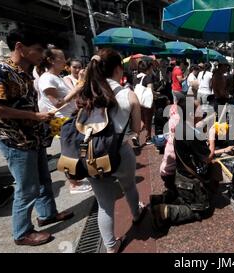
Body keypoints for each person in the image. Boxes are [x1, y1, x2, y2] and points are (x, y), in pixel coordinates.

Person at [0, 27, 73, 246]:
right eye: (37, 49)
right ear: (20, 47)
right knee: (26, 188)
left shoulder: (26, 71)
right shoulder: (1, 70)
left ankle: (47, 214)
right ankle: (22, 233)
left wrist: (39, 118)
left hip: (32, 136)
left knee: (43, 180)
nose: (42, 55)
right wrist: (33, 115)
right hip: (14, 139)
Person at [76, 49, 146, 253]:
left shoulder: (86, 93)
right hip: (120, 152)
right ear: (118, 69)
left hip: (91, 154)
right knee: (130, 187)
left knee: (104, 204)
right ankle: (136, 214)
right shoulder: (128, 94)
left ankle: (110, 246)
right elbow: (136, 129)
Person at [151, 95, 219, 229]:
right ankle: (165, 211)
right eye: (199, 109)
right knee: (202, 210)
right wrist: (211, 137)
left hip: (180, 176)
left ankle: (162, 198)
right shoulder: (190, 133)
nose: (202, 112)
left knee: (185, 198)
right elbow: (208, 156)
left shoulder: (181, 126)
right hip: (189, 181)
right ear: (190, 113)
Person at [36, 46, 91, 194]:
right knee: (70, 151)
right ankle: (73, 183)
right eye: (61, 58)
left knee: (77, 149)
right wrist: (79, 86)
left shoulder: (56, 77)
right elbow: (58, 103)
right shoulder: (47, 78)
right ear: (51, 60)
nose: (64, 61)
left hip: (69, 118)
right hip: (62, 120)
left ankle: (77, 176)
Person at [137, 59, 156, 145]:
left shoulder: (136, 77)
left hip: (138, 102)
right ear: (148, 69)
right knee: (147, 121)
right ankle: (148, 138)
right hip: (146, 103)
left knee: (141, 121)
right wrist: (156, 94)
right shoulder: (148, 77)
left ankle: (136, 135)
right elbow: (150, 91)